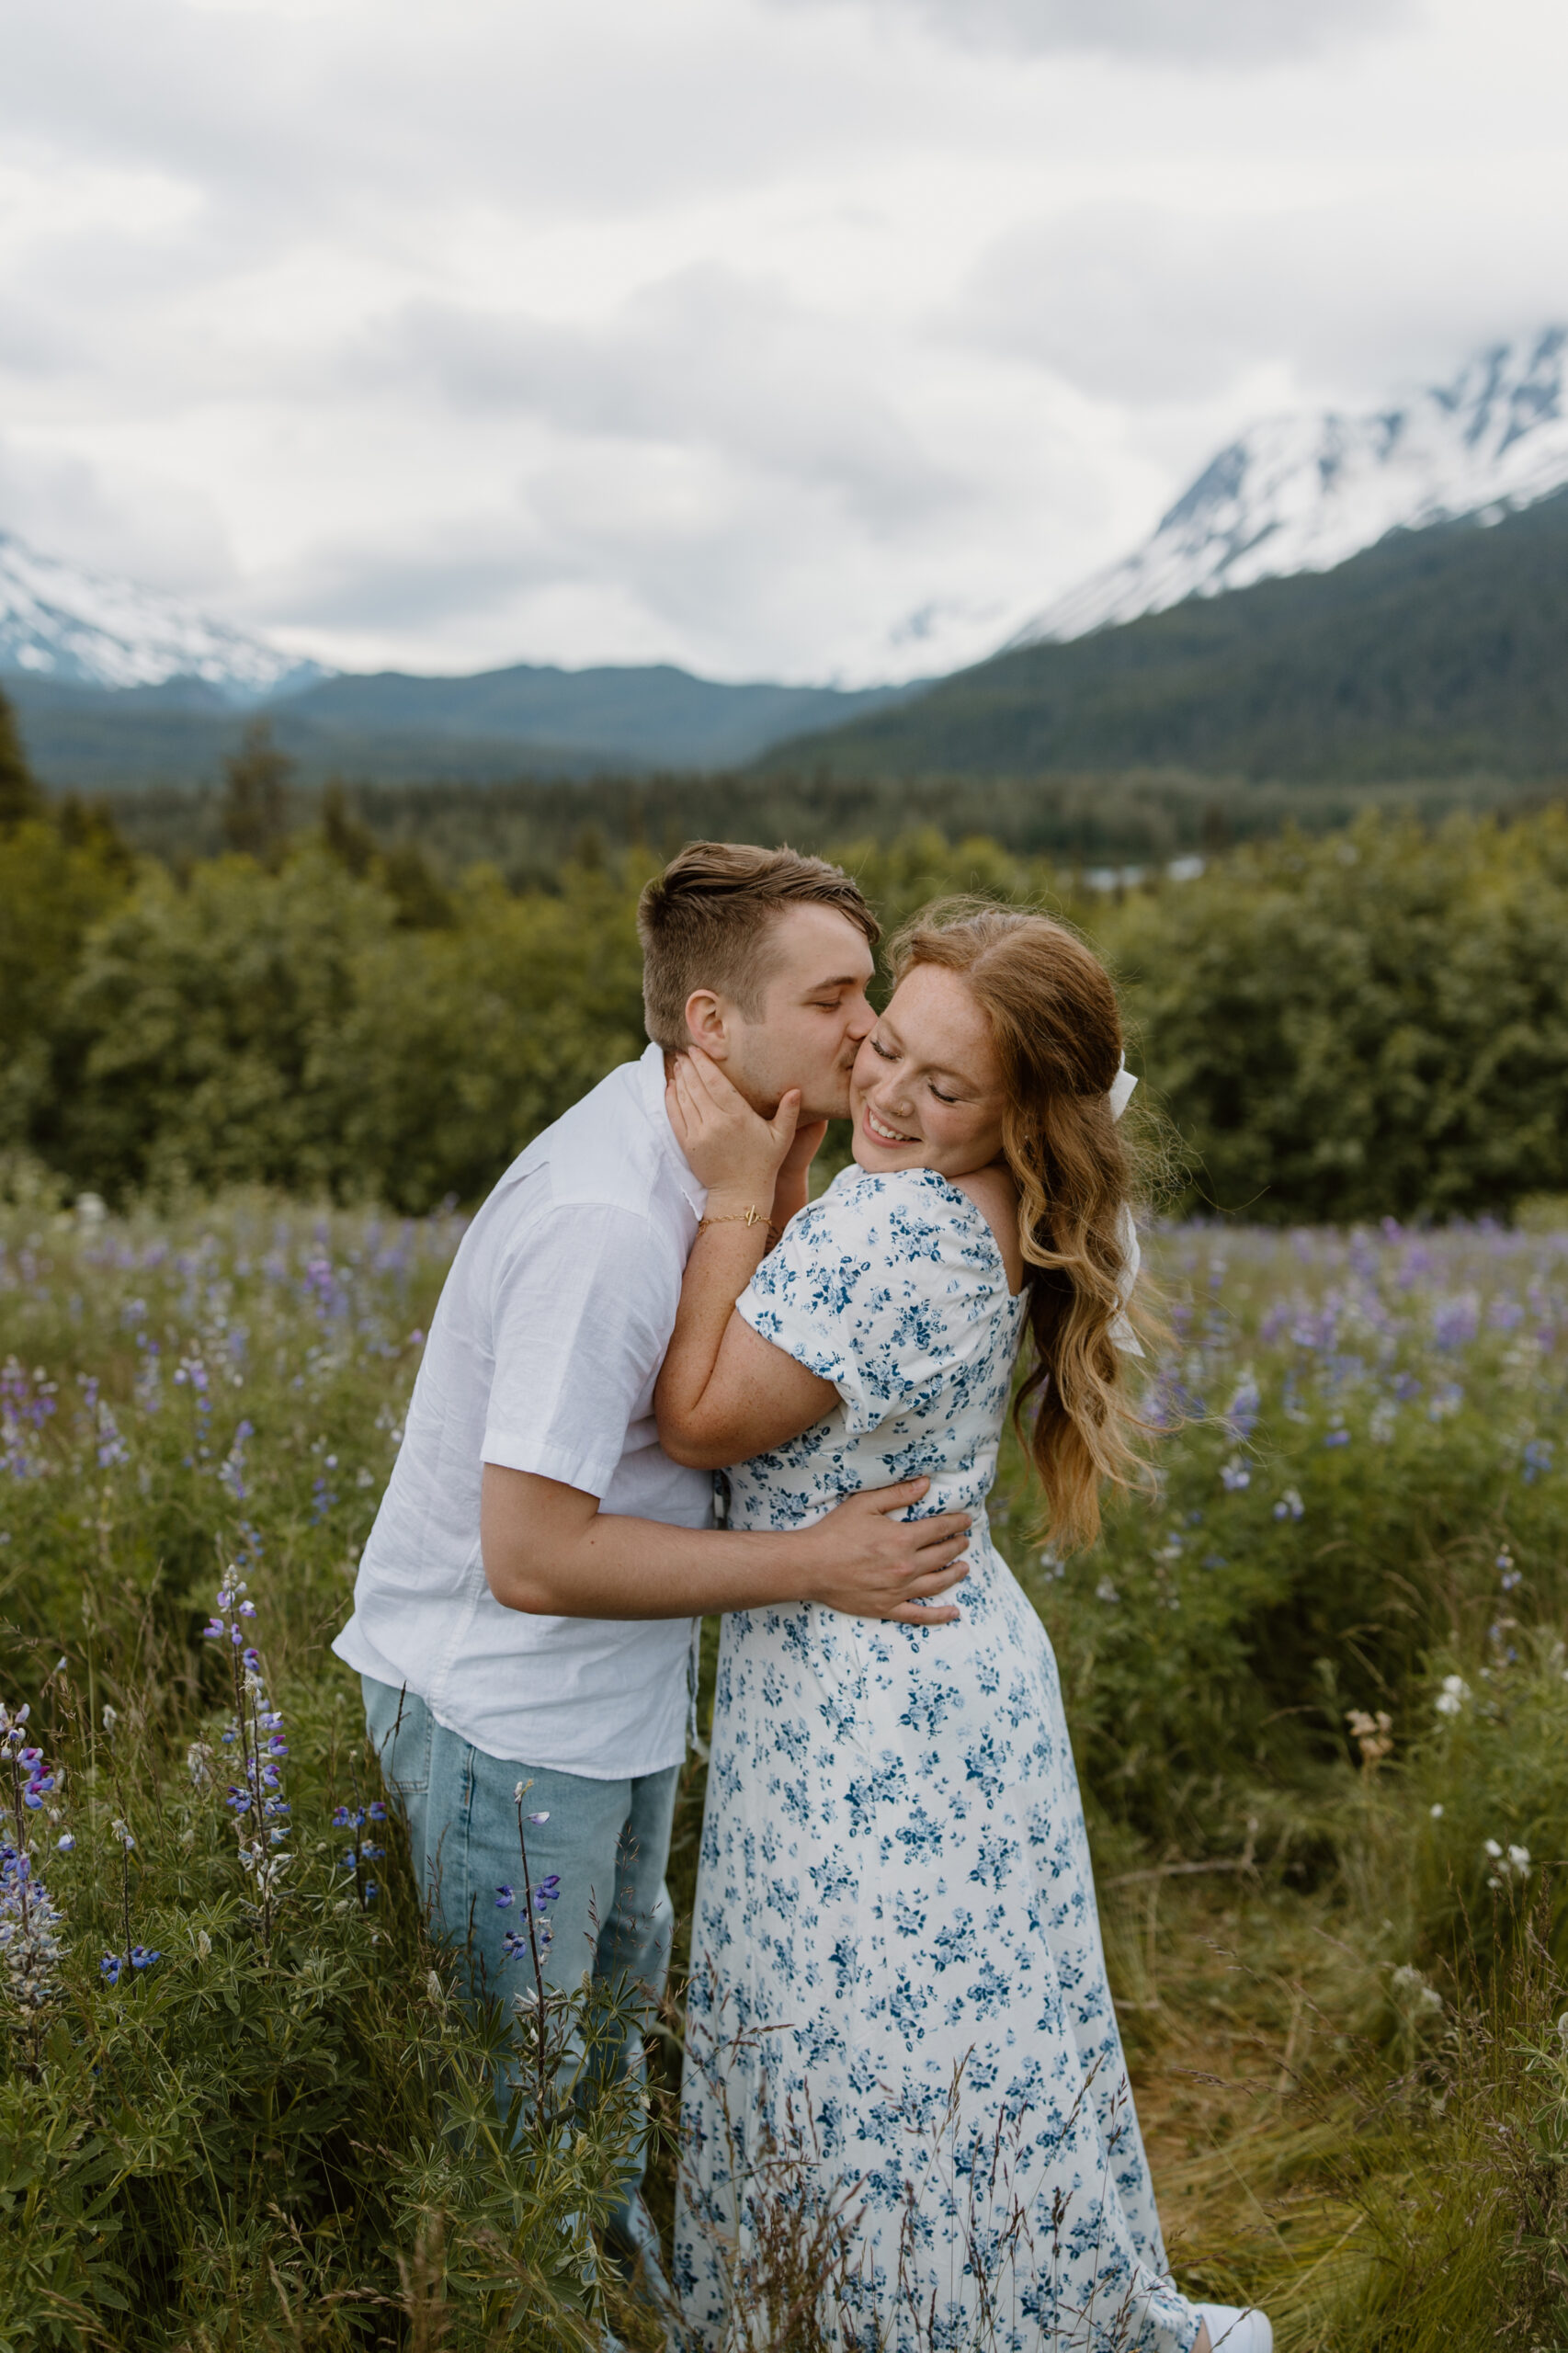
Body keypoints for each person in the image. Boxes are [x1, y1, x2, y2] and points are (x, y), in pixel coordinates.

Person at [331, 842, 974, 2307]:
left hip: (604, 1719)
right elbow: (533, 1556)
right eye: (833, 999)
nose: (869, 1034)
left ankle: (622, 2316)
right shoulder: (606, 1219)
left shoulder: (710, 1164)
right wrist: (814, 1562)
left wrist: (778, 1189)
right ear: (708, 1024)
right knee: (523, 2131)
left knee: (601, 2099)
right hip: (508, 1729)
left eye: (865, 994)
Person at [657, 902, 1271, 2353]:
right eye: (882, 1048)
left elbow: (695, 1420)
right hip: (943, 1664)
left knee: (865, 2055)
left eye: (945, 1091)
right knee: (958, 2048)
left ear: (1026, 1118)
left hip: (861, 1702)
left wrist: (744, 1191)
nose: (886, 1093)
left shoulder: (897, 1229)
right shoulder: (977, 1213)